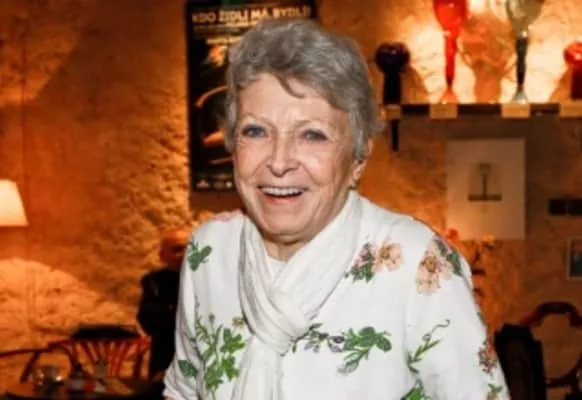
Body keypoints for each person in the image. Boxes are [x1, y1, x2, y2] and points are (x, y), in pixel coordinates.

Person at [164, 18, 509, 400]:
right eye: (256, 131)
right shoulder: (210, 253)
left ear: (358, 158)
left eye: (312, 135)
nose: (278, 161)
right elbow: (184, 390)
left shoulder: (419, 265)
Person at [137, 229, 189, 380]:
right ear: (162, 256)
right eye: (177, 250)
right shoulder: (154, 283)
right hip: (166, 361)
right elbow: (149, 322)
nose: (185, 254)